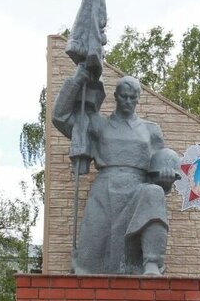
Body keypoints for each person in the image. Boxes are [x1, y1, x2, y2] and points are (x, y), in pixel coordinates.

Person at [52, 66, 179, 275]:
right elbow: (60, 116)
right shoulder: (98, 123)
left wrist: (165, 180)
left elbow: (157, 173)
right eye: (123, 97)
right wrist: (76, 80)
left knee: (153, 193)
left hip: (138, 188)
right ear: (116, 97)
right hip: (104, 190)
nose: (128, 101)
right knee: (88, 263)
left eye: (132, 97)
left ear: (139, 98)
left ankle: (152, 263)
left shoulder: (151, 130)